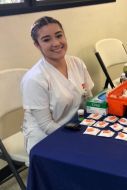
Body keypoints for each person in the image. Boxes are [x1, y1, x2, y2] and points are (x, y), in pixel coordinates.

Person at [21, 16, 94, 153]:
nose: (56, 43)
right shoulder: (34, 79)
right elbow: (46, 125)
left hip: (74, 125)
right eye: (46, 39)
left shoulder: (77, 63)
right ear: (37, 45)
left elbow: (87, 101)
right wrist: (75, 138)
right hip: (45, 138)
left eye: (59, 36)